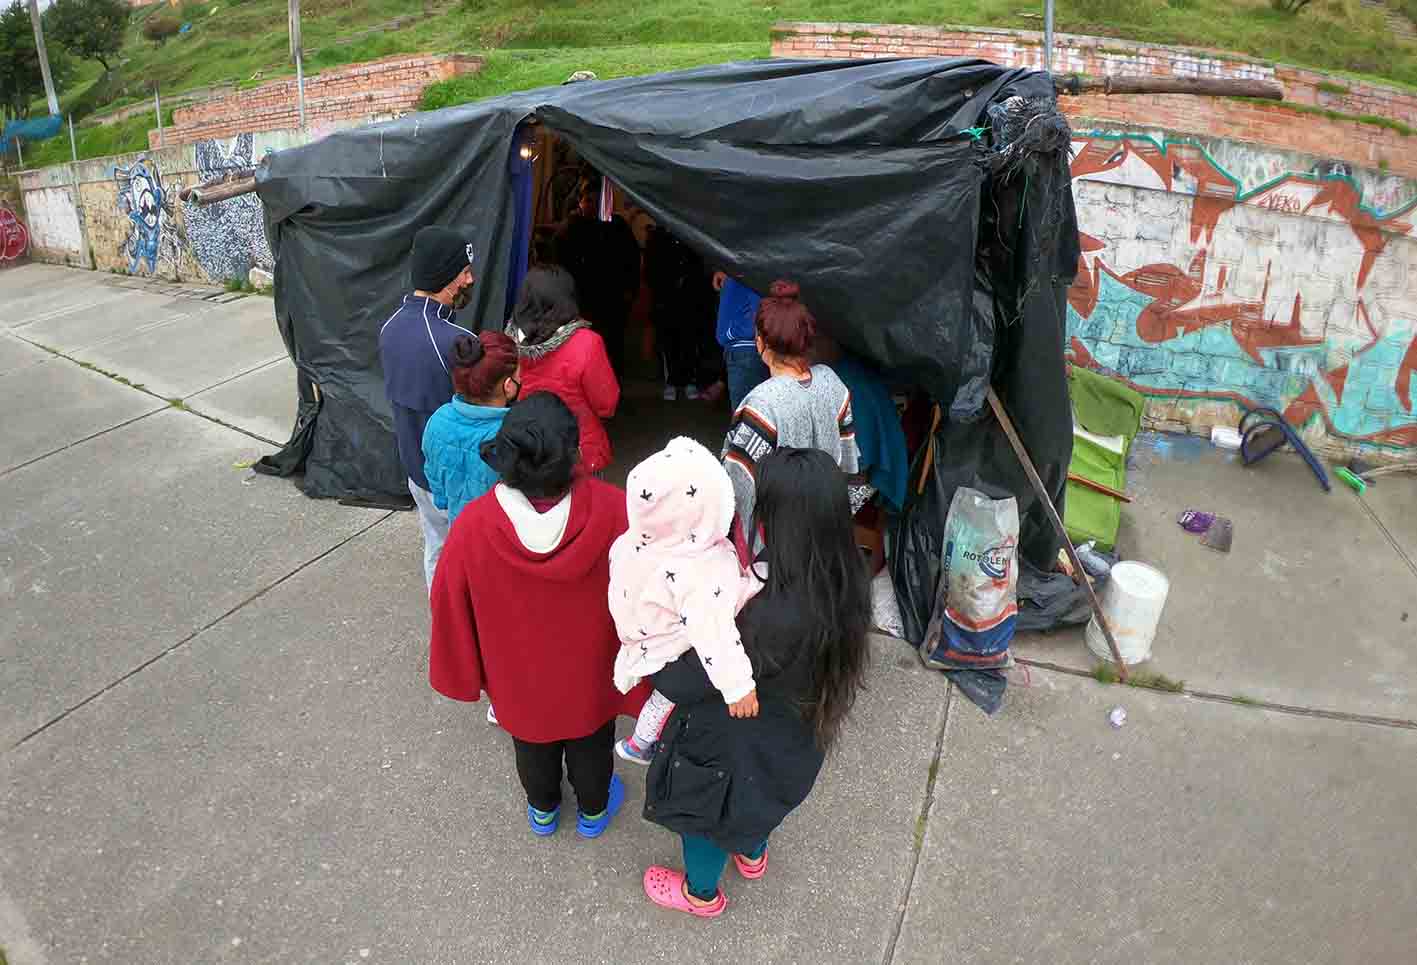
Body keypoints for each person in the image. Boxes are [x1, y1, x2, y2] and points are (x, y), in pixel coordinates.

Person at [640, 447, 871, 917]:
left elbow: (689, 679)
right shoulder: (846, 577)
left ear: (775, 525)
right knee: (759, 801)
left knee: (704, 822)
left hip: (728, 747)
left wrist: (656, 652)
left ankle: (700, 894)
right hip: (790, 742)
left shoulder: (763, 618)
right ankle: (752, 853)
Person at [428, 392, 649, 838]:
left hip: (517, 675)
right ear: (573, 454)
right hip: (592, 671)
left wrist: (470, 669)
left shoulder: (473, 526)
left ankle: (543, 811)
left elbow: (448, 601)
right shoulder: (615, 511)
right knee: (592, 741)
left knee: (530, 743)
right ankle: (593, 813)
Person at [608, 437, 761, 767]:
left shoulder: (631, 540)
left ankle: (639, 743)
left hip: (646, 637)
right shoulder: (700, 568)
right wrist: (738, 687)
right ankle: (642, 745)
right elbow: (714, 634)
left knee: (663, 697)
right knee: (670, 697)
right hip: (673, 647)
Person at [378, 225, 478, 590]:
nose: (471, 279)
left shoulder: (389, 327)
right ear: (447, 278)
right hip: (452, 480)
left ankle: (442, 611)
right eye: (465, 272)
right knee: (467, 555)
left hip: (415, 470)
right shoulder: (457, 342)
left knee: (435, 544)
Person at [722, 280, 859, 539]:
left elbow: (738, 488)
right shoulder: (833, 383)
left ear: (760, 343)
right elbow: (849, 464)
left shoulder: (760, 405)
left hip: (782, 542)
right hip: (829, 527)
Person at [509, 266, 620, 476]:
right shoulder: (587, 343)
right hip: (580, 453)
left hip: (528, 451)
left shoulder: (507, 343)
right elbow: (607, 405)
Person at [421, 332, 521, 527]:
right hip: (502, 537)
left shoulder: (437, 420)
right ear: (508, 386)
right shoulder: (513, 435)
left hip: (460, 529)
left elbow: (435, 484)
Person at [552, 175, 641, 376]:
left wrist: (629, 291)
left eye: (596, 201)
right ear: (581, 201)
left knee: (611, 348)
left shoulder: (617, 227)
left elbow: (631, 261)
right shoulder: (570, 228)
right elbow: (559, 263)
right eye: (588, 200)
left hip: (612, 301)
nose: (592, 206)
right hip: (581, 302)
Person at [645, 225, 716, 402]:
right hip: (665, 300)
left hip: (690, 299)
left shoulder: (689, 233)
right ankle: (672, 381)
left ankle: (689, 379)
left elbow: (699, 266)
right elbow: (650, 269)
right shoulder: (657, 237)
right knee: (668, 341)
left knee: (689, 340)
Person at [713, 271, 769, 411]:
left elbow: (756, 313)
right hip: (742, 351)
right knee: (748, 412)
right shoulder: (735, 272)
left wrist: (731, 333)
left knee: (746, 414)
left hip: (745, 351)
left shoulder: (745, 270)